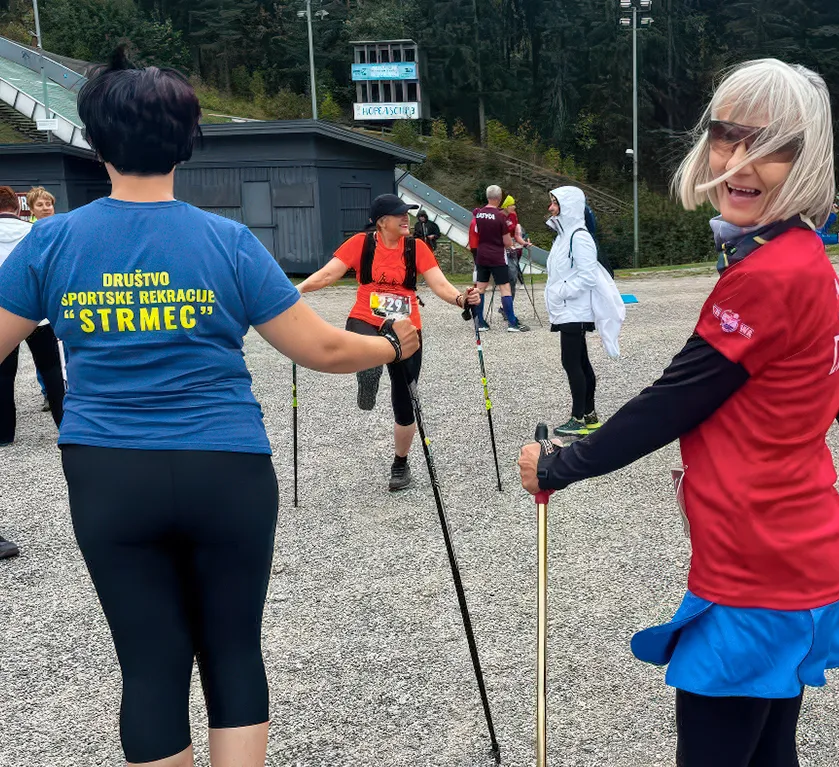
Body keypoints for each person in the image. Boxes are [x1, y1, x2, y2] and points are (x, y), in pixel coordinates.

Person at [0, 49, 420, 767]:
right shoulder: (227, 241)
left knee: (149, 663)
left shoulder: (51, 240)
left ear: (94, 141)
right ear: (187, 142)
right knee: (231, 648)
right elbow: (319, 349)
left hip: (108, 471)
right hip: (226, 465)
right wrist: (392, 344)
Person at [517, 59, 839, 766]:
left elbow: (672, 401)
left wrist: (559, 464)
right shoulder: (803, 257)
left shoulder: (767, 274)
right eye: (727, 138)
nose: (739, 163)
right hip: (801, 558)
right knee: (770, 753)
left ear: (807, 160)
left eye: (769, 147)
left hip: (757, 572)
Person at [299, 194, 480, 491]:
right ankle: (368, 375)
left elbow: (440, 284)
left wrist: (461, 299)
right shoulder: (361, 243)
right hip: (365, 318)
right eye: (399, 215)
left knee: (405, 400)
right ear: (382, 222)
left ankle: (400, 463)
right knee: (364, 347)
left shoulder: (417, 248)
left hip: (406, 326)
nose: (406, 218)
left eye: (406, 214)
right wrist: (297, 290)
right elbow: (330, 273)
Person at [543, 185, 625, 437]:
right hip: (567, 310)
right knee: (579, 362)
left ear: (568, 206)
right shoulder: (564, 235)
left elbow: (588, 276)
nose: (550, 207)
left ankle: (578, 418)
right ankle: (589, 416)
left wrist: (561, 291)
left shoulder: (579, 236)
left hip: (574, 310)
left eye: (555, 203)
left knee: (572, 362)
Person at [0, 185, 65, 447]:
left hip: (4, 315)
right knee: (51, 372)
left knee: (4, 376)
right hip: (40, 316)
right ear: (18, 206)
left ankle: (5, 435)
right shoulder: (35, 232)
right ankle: (65, 427)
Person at [471, 185, 529, 332]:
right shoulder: (500, 217)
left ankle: (480, 322)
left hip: (482, 255)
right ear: (499, 199)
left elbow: (476, 233)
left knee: (481, 288)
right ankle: (511, 323)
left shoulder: (479, 214)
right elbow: (507, 242)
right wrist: (511, 244)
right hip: (497, 256)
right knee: (505, 289)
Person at [27, 186, 62, 410]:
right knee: (44, 346)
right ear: (31, 209)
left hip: (58, 291)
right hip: (39, 294)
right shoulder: (29, 232)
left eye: (48, 203)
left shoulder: (61, 228)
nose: (45, 208)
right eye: (40, 205)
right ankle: (48, 390)